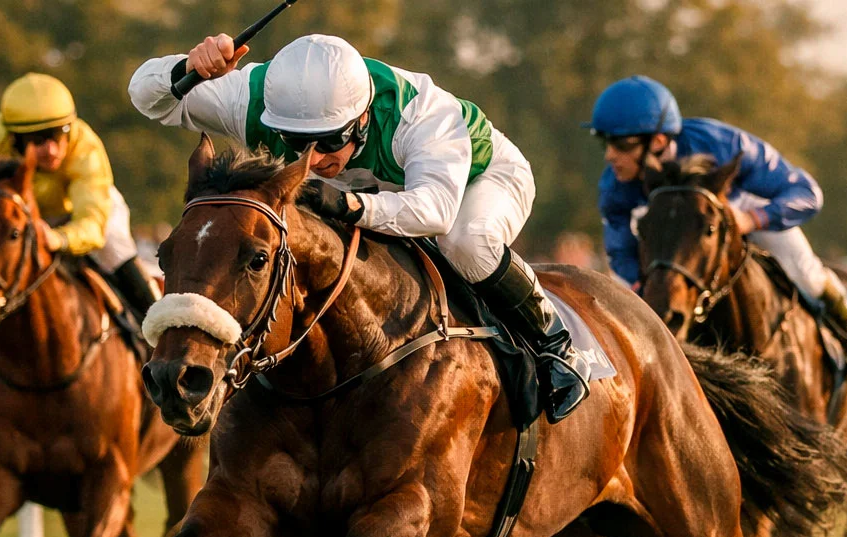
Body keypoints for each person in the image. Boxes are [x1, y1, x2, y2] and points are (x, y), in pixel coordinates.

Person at [129, 33, 586, 422]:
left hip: (477, 182)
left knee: (466, 243)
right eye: (296, 142)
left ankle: (555, 345)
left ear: (363, 118)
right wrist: (188, 67)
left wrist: (345, 202)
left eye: (331, 140)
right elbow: (144, 96)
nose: (317, 158)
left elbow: (434, 212)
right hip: (378, 195)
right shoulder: (250, 98)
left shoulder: (423, 117)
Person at [587, 75, 847, 383]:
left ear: (659, 141)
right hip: (681, 236)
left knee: (805, 272)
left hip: (743, 212)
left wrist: (753, 219)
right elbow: (619, 248)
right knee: (624, 293)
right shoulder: (615, 185)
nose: (610, 155)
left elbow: (808, 194)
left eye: (621, 145)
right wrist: (640, 286)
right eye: (605, 143)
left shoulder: (724, 144)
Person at [0, 73, 161, 319]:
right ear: (14, 137)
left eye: (59, 134)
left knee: (115, 249)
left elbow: (93, 225)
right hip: (15, 215)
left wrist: (59, 239)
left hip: (80, 215)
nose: (52, 149)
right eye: (38, 139)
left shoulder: (85, 148)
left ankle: (157, 324)